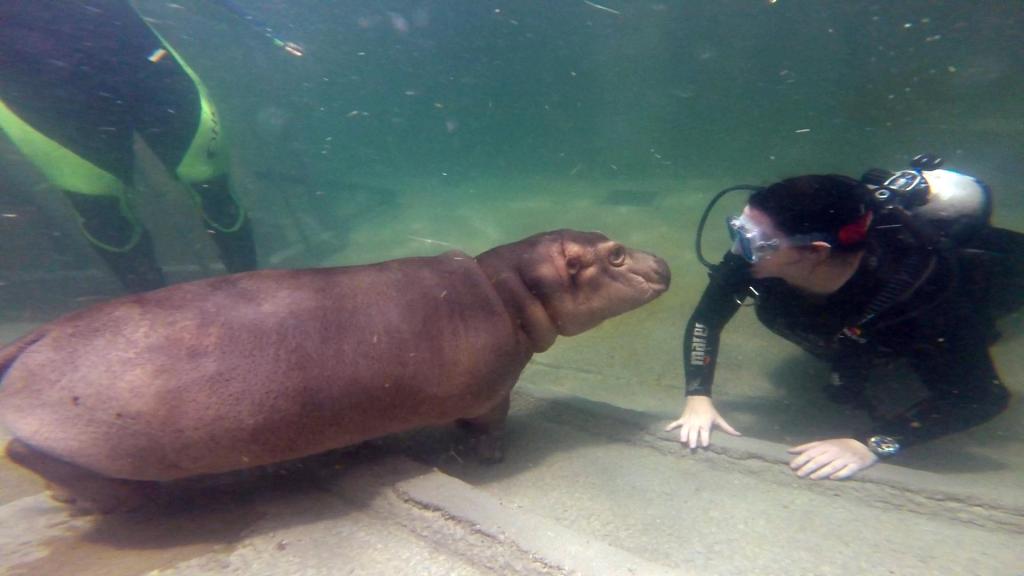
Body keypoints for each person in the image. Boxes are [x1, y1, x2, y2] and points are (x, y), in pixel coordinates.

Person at [667, 158, 1020, 480]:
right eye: (739, 229)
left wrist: (873, 443)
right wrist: (698, 395)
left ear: (815, 252)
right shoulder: (759, 260)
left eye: (756, 241)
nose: (738, 249)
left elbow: (981, 397)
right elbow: (707, 320)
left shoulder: (921, 297)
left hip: (997, 278)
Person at [0, 0, 298, 292]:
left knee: (210, 187)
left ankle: (252, 298)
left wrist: (258, 27)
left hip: (133, 63)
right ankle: (153, 321)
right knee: (103, 214)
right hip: (41, 93)